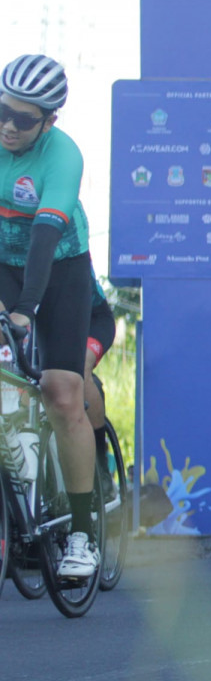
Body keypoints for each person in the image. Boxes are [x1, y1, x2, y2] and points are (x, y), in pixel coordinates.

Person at [0, 55, 99, 576]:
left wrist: (23, 311)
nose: (9, 126)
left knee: (62, 393)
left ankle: (82, 534)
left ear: (49, 121)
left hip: (59, 268)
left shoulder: (63, 155)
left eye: (23, 119)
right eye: (2, 111)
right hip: (2, 265)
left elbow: (43, 237)